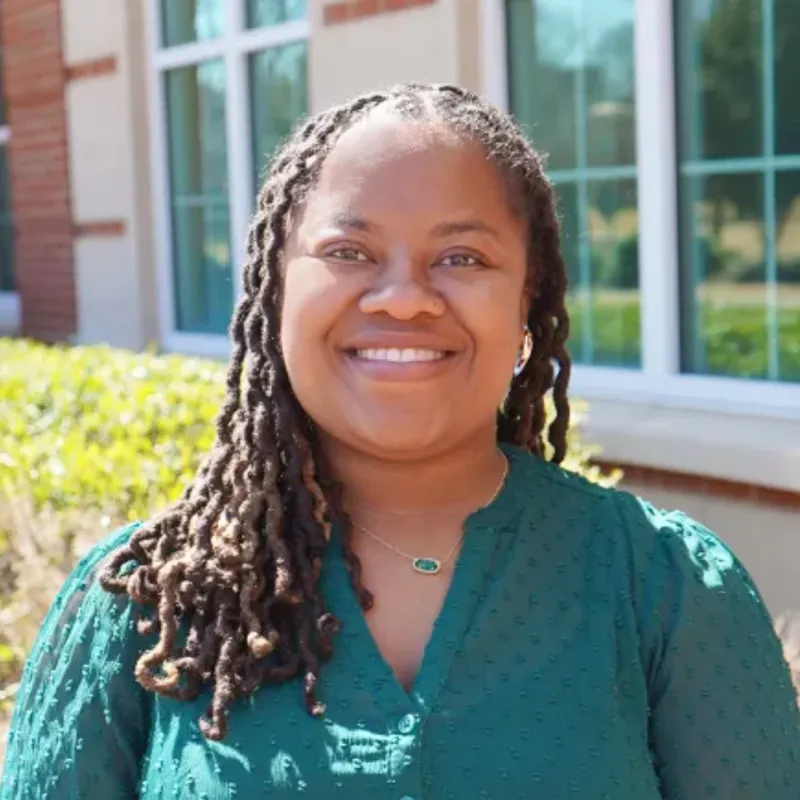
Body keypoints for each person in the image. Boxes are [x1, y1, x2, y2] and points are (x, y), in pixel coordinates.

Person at [1, 83, 798, 800]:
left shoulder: (665, 590)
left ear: (528, 302)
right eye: (349, 252)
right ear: (275, 292)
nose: (405, 299)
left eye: (462, 257)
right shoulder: (143, 604)